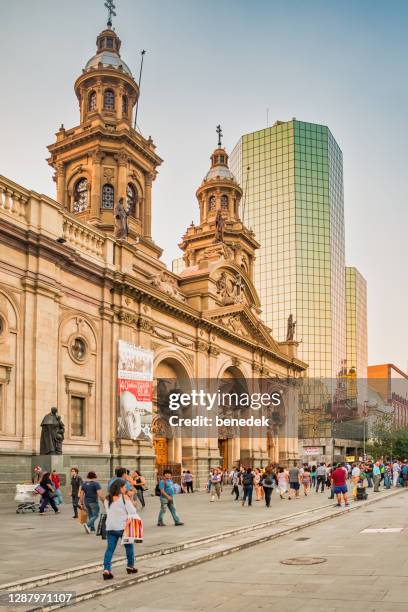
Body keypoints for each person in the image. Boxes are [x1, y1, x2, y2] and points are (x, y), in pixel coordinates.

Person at [102, 479, 138, 580]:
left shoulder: (107, 498)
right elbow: (133, 511)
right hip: (123, 527)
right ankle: (130, 567)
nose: (126, 488)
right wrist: (131, 501)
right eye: (124, 487)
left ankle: (106, 570)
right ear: (120, 488)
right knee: (129, 548)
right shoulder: (124, 497)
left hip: (110, 527)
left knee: (109, 549)